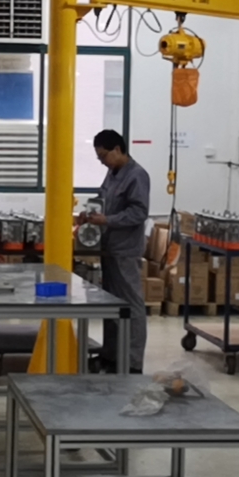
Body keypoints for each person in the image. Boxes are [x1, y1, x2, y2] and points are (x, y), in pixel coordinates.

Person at [81, 129, 152, 373]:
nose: (102, 161)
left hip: (125, 251)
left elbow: (139, 212)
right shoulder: (112, 174)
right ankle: (111, 356)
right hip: (109, 249)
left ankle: (132, 363)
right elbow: (102, 197)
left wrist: (107, 220)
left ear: (118, 150)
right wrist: (88, 212)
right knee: (110, 305)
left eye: (103, 156)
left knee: (131, 305)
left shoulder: (137, 175)